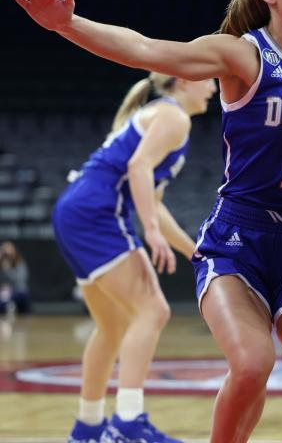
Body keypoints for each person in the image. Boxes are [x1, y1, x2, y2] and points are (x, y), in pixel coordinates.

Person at [11, 0, 282, 443]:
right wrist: (68, 25)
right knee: (252, 363)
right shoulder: (243, 56)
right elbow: (144, 50)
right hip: (238, 242)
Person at [51, 72, 216, 442]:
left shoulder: (164, 115)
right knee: (153, 310)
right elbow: (137, 168)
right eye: (209, 80)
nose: (213, 89)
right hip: (98, 213)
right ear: (186, 80)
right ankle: (128, 423)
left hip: (75, 210)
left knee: (112, 326)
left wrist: (196, 253)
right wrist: (151, 233)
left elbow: (154, 205)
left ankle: (88, 427)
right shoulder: (173, 117)